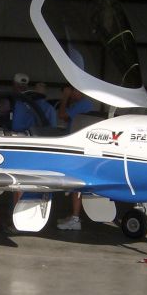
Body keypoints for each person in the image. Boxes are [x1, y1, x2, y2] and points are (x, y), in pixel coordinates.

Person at [56, 85, 94, 231]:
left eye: (72, 92)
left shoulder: (83, 104)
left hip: (78, 149)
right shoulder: (84, 104)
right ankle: (74, 216)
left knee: (76, 183)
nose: (70, 95)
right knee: (75, 185)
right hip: (80, 147)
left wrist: (64, 98)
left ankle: (75, 218)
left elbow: (62, 115)